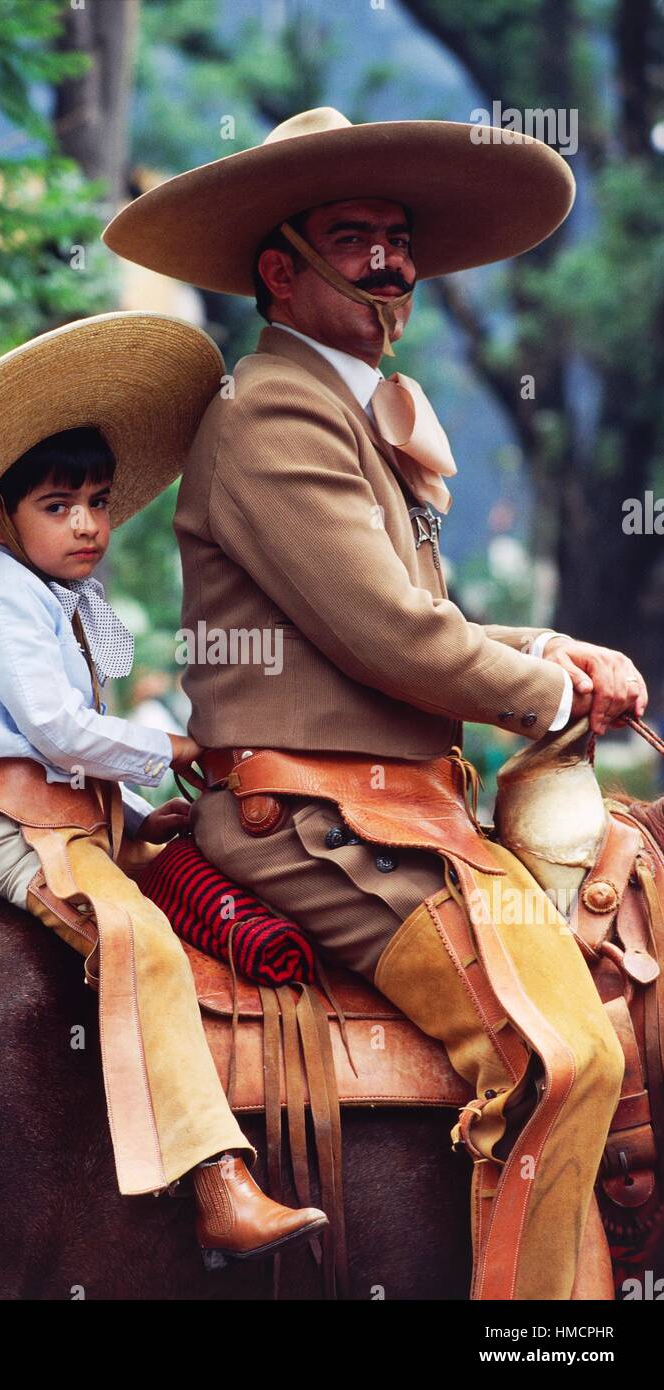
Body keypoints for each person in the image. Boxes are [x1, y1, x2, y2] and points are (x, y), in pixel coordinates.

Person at [102, 111, 650, 1299]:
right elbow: (389, 637)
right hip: (318, 828)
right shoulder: (274, 411)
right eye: (352, 237)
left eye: (398, 238)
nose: (389, 261)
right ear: (277, 269)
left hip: (409, 819)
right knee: (563, 1058)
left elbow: (410, 618)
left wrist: (550, 645)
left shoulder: (346, 410)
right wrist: (550, 689)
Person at [0, 310, 327, 1269]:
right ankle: (217, 1179)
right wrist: (173, 747)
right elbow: (57, 733)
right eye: (58, 506)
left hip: (77, 818)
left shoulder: (63, 598)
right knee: (138, 941)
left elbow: (77, 760)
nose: (90, 525)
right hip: (7, 827)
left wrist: (150, 814)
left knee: (220, 869)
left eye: (98, 501)